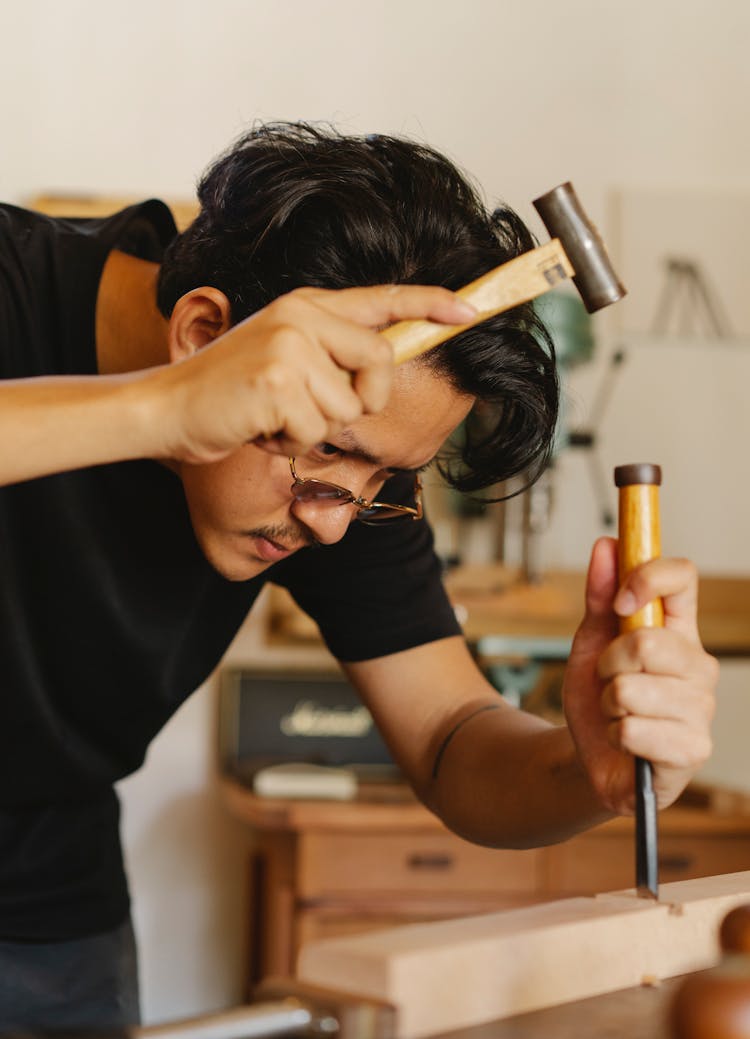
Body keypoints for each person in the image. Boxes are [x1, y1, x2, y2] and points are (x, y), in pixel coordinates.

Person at [0, 123, 717, 1030]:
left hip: (49, 908)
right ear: (201, 335)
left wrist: (585, 766)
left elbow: (451, 735)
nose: (334, 523)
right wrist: (163, 410)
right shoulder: (14, 284)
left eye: (384, 478)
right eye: (332, 456)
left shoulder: (356, 448)